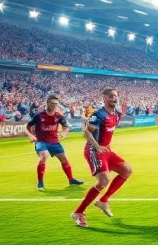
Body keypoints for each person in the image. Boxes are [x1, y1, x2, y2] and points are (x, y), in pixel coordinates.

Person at [71, 88, 132, 228]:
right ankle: (78, 212)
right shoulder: (99, 115)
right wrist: (97, 146)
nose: (114, 99)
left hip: (106, 150)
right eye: (111, 96)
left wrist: (105, 147)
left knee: (127, 170)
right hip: (94, 150)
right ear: (104, 98)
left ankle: (104, 200)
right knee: (104, 180)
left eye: (116, 96)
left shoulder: (115, 115)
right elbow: (87, 132)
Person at [27, 94, 84, 190]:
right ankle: (40, 183)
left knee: (64, 160)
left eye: (56, 104)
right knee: (44, 156)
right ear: (48, 103)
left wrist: (64, 133)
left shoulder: (59, 116)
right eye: (52, 103)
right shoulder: (39, 115)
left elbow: (67, 126)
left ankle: (71, 180)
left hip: (54, 142)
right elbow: (28, 126)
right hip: (41, 142)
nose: (54, 106)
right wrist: (32, 135)